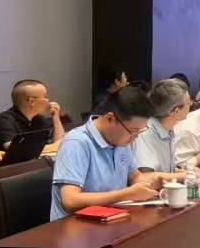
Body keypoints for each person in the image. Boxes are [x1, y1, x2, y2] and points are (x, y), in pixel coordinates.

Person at [50, 85, 169, 219]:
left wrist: (147, 185)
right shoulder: (76, 143)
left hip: (112, 218)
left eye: (139, 131)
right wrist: (127, 194)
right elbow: (70, 201)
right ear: (110, 118)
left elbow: (134, 176)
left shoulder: (120, 139)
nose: (135, 137)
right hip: (76, 224)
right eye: (133, 131)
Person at [0, 79, 66, 153]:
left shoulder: (38, 119)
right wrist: (53, 147)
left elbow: (58, 141)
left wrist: (55, 117)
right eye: (44, 96)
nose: (48, 100)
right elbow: (15, 150)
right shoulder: (4, 121)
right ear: (31, 101)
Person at [131, 78, 192, 174]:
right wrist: (184, 176)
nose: (191, 104)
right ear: (175, 111)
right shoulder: (145, 134)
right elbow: (147, 176)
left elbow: (167, 170)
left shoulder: (168, 128)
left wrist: (185, 172)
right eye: (188, 104)